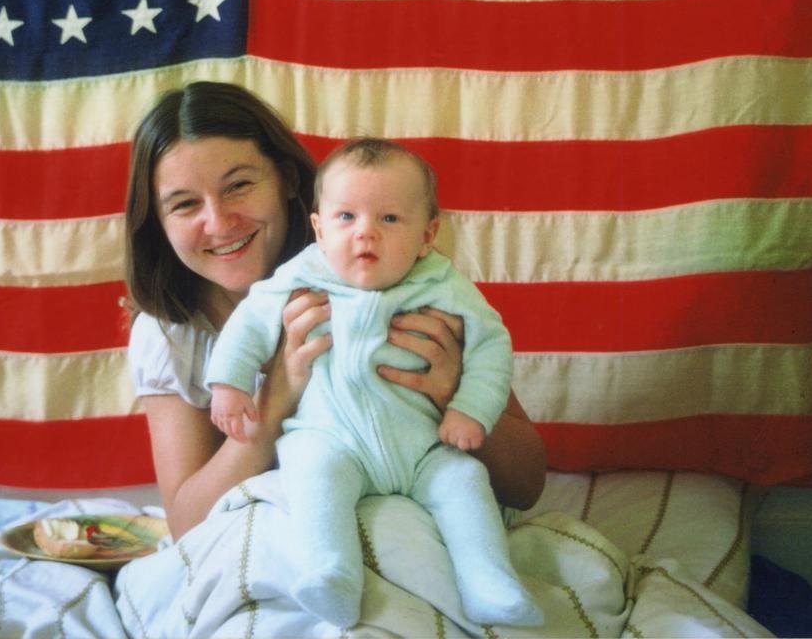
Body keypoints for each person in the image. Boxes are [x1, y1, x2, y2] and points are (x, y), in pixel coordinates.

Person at [124, 82, 546, 544]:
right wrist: (276, 398)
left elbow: (526, 486)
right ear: (158, 224)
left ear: (286, 179)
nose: (220, 222)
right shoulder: (175, 336)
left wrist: (452, 393)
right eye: (185, 204)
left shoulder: (391, 273)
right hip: (279, 540)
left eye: (239, 185)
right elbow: (186, 524)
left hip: (419, 522)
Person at [205, 138, 541, 628]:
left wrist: (469, 407)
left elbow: (492, 345)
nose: (366, 235)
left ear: (427, 235)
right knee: (312, 473)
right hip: (330, 438)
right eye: (346, 218)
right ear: (318, 229)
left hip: (425, 444)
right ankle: (330, 573)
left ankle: (491, 584)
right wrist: (230, 383)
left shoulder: (443, 285)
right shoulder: (303, 276)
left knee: (465, 481)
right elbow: (251, 321)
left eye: (389, 219)